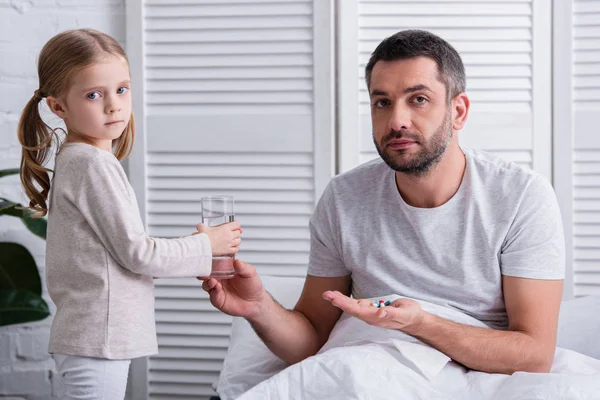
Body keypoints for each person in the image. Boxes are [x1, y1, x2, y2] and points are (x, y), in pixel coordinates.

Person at [201, 29, 565, 375]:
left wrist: (421, 323)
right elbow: (310, 341)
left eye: (418, 99)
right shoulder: (344, 198)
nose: (397, 120)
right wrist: (258, 308)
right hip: (368, 366)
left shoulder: (520, 197)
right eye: (382, 102)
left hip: (478, 374)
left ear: (458, 112)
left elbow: (534, 356)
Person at [17, 29, 242, 399]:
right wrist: (207, 244)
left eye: (121, 89)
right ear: (58, 107)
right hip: (97, 339)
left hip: (91, 337)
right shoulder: (92, 165)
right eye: (94, 95)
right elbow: (138, 254)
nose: (113, 105)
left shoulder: (81, 160)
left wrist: (200, 248)